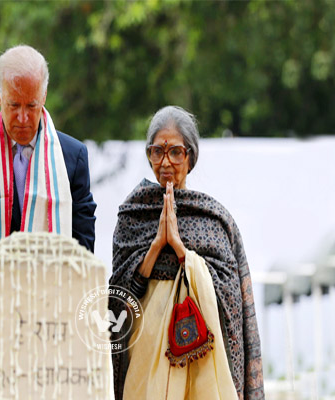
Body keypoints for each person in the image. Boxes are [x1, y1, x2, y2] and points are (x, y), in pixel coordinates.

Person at [0, 45, 97, 380]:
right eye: (14, 105)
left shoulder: (72, 157)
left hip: (52, 328)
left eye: (32, 105)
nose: (24, 118)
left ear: (44, 97)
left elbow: (82, 245)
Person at [110, 106, 264, 399]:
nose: (165, 162)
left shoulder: (213, 219)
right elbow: (119, 300)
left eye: (176, 152)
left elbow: (230, 302)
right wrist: (156, 245)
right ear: (149, 155)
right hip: (145, 356)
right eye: (157, 151)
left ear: (190, 157)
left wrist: (182, 251)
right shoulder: (133, 215)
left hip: (201, 362)